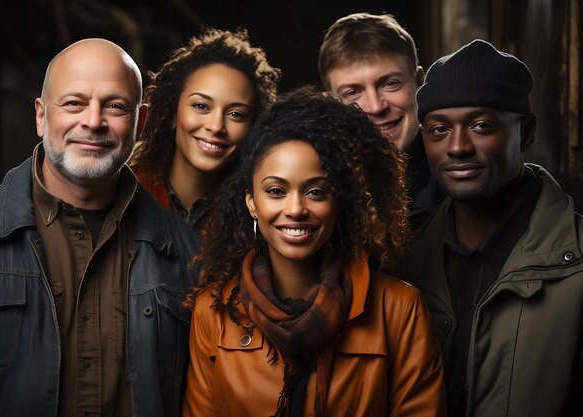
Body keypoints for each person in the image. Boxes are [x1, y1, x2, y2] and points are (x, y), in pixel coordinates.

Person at [0, 38, 198, 417]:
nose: (93, 121)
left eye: (115, 106)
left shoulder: (188, 253)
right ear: (41, 115)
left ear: (141, 123)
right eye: (74, 103)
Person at [182, 87, 445, 417]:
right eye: (276, 191)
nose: (295, 209)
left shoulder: (399, 310)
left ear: (339, 201)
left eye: (316, 191)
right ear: (251, 201)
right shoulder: (213, 312)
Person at [398, 39, 583, 417]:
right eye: (438, 130)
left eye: (481, 126)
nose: (457, 147)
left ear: (526, 133)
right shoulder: (403, 263)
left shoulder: (576, 267)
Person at [129, 28, 281, 227]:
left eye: (235, 114)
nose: (216, 126)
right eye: (201, 106)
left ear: (253, 127)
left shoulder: (257, 216)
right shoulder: (121, 189)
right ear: (173, 113)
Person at [318, 12, 444, 228]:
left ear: (420, 82)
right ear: (332, 104)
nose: (376, 107)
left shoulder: (461, 175)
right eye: (353, 93)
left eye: (390, 83)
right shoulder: (314, 183)